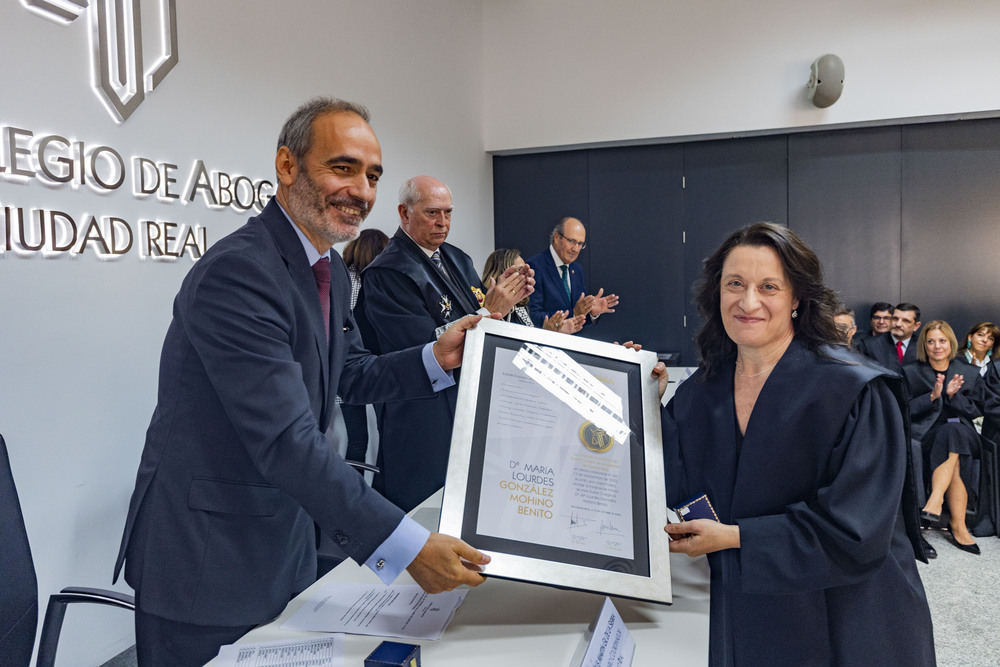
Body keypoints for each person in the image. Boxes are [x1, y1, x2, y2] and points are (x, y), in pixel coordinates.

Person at [113, 99, 490, 666]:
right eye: (343, 168)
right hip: (206, 564)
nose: (362, 191)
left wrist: (437, 356)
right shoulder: (239, 271)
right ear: (287, 166)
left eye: (372, 176)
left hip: (284, 542)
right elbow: (285, 440)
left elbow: (353, 374)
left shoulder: (330, 268)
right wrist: (405, 547)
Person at [660, 222, 934, 665]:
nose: (749, 302)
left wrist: (735, 537)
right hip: (752, 607)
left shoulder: (856, 391)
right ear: (717, 294)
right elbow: (679, 484)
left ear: (796, 299)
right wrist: (643, 402)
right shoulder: (701, 391)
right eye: (734, 284)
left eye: (769, 286)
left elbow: (856, 532)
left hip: (850, 615)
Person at [357, 175, 533, 512]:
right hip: (422, 415)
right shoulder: (387, 273)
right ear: (404, 213)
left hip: (467, 403)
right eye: (432, 213)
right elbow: (425, 351)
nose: (443, 223)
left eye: (448, 213)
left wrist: (506, 308)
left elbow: (483, 316)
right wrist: (489, 310)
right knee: (424, 512)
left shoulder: (456, 258)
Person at [903, 321, 984, 555]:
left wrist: (952, 396)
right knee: (953, 451)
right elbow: (903, 408)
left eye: (942, 341)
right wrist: (931, 396)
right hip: (926, 433)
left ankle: (935, 501)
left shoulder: (968, 371)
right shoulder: (911, 371)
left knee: (954, 430)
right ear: (924, 345)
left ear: (950, 343)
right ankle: (958, 526)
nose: (937, 346)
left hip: (964, 432)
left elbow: (978, 410)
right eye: (931, 341)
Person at [338, 229, 390, 466]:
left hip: (345, 368)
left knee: (357, 441)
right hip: (376, 366)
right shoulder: (377, 283)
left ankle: (351, 498)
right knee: (386, 434)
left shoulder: (341, 279)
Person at [525, 217, 619, 334]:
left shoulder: (577, 269)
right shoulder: (535, 266)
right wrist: (574, 312)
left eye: (580, 244)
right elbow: (531, 317)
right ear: (556, 237)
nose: (575, 249)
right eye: (571, 241)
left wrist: (590, 313)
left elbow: (578, 319)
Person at [481, 248, 585, 333]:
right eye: (520, 270)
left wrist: (549, 332)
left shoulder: (521, 310)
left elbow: (527, 347)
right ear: (503, 272)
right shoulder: (484, 306)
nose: (528, 275)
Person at [857, 302, 922, 369]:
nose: (898, 324)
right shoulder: (868, 345)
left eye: (905, 321)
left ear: (916, 326)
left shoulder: (924, 346)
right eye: (895, 319)